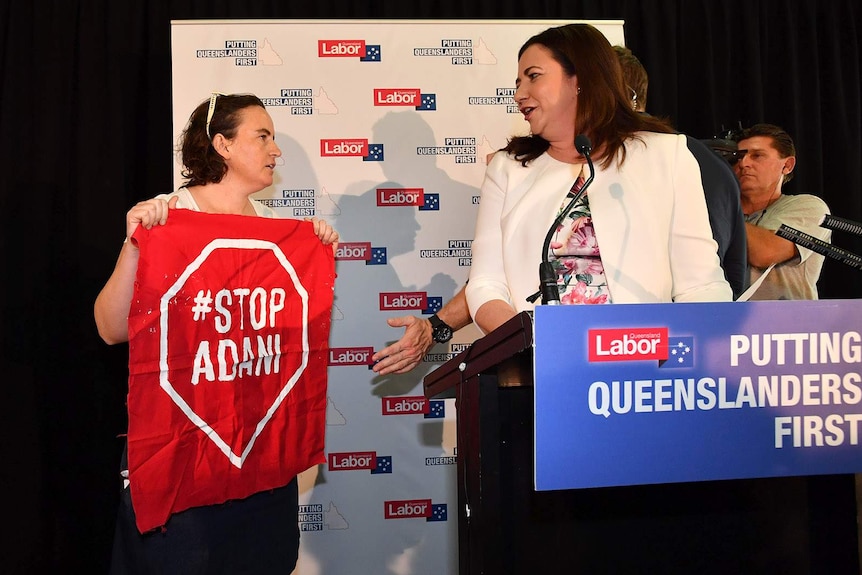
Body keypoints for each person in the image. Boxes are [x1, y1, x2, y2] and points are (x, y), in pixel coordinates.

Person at [94, 93, 339, 574]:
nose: (276, 150)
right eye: (263, 136)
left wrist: (315, 253)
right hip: (184, 458)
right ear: (222, 145)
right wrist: (134, 244)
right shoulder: (166, 215)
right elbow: (110, 329)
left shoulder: (277, 231)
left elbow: (294, 340)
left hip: (260, 459)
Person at [466, 23, 731, 334]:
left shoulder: (667, 156)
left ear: (580, 79)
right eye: (518, 82)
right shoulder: (506, 168)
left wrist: (705, 349)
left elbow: (700, 282)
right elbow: (485, 285)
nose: (519, 94)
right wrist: (535, 346)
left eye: (533, 76)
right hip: (542, 365)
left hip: (645, 360)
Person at [613, 45, 749, 299]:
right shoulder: (713, 162)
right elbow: (735, 265)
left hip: (648, 327)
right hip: (704, 319)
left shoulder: (643, 159)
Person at [732, 123, 831, 299]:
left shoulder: (809, 207)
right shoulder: (718, 210)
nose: (744, 163)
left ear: (787, 165)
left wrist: (716, 210)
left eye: (757, 156)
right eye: (738, 157)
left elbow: (765, 253)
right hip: (724, 322)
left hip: (790, 324)